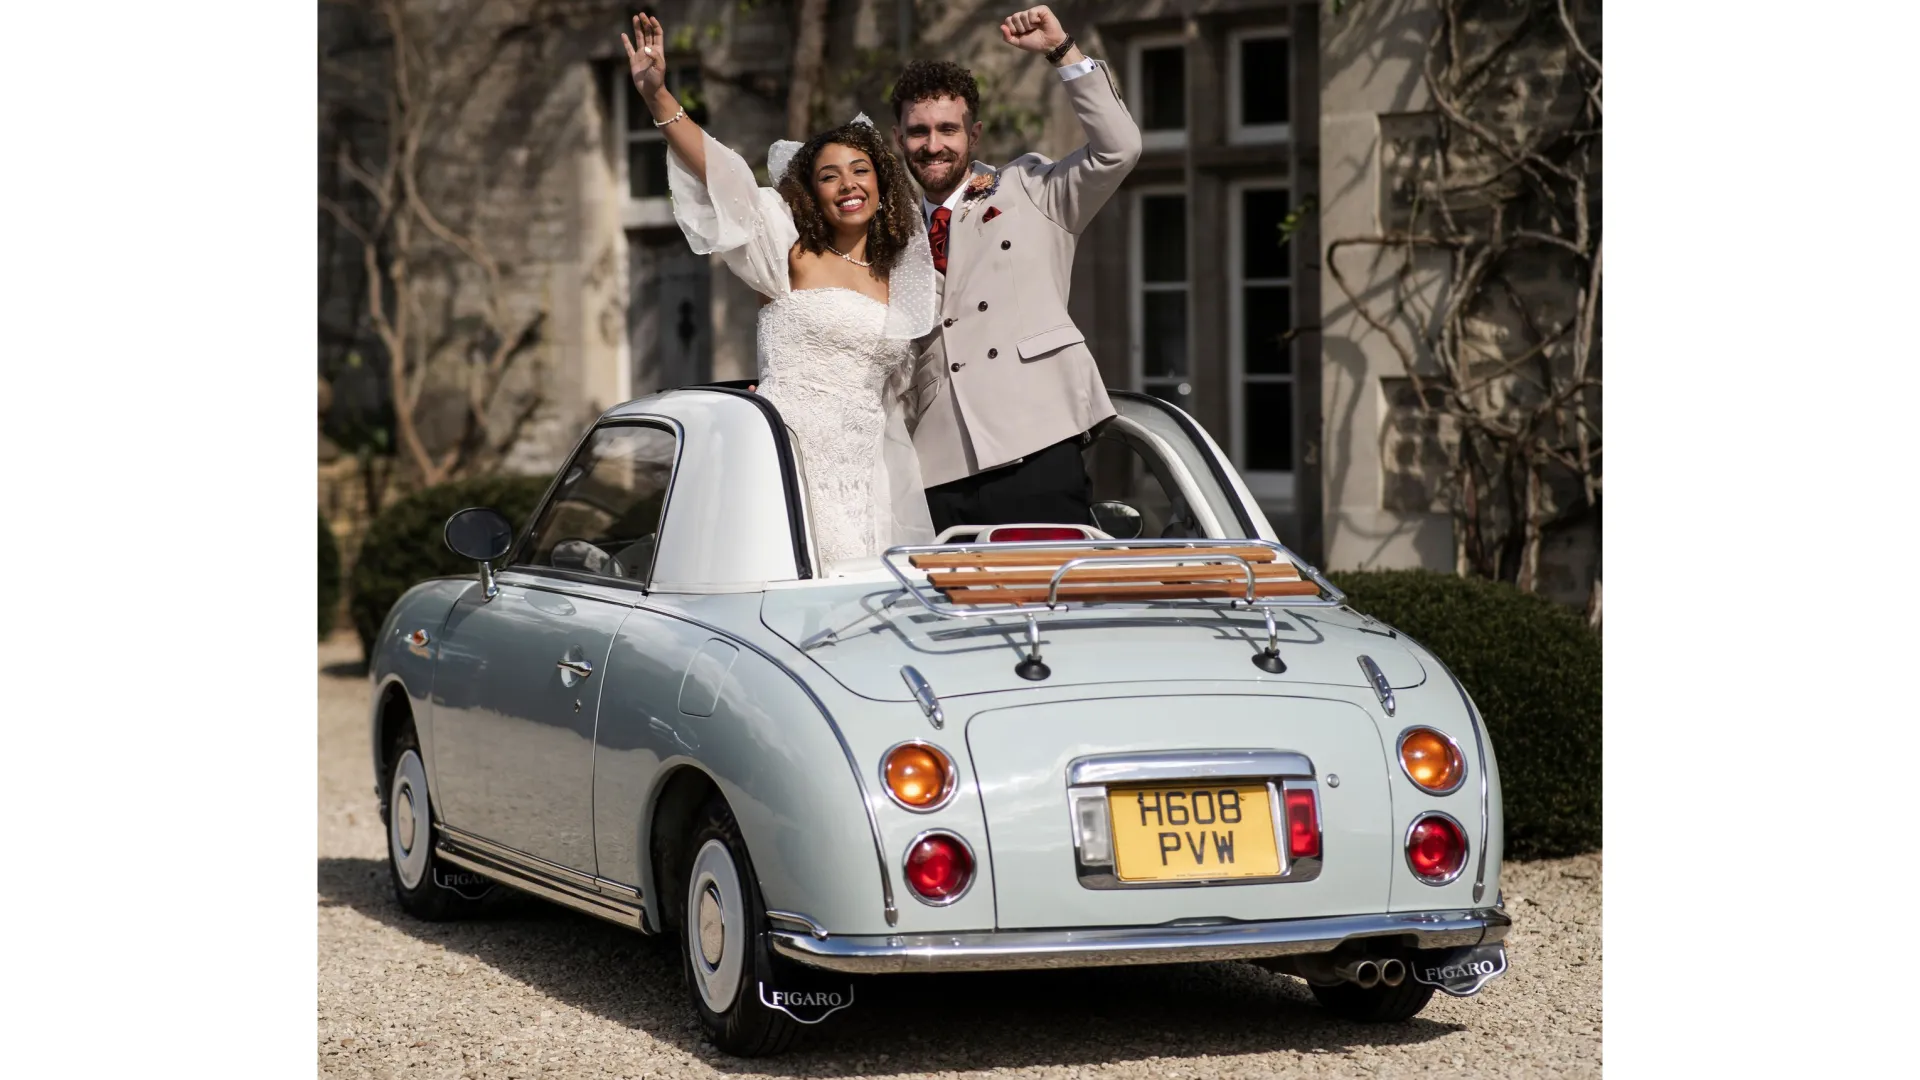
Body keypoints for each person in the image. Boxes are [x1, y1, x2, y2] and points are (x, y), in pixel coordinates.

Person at [623, 13, 939, 568]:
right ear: (811, 194)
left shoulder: (908, 279)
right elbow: (725, 178)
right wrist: (658, 96)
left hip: (868, 476)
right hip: (785, 461)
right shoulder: (786, 256)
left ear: (881, 185)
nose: (847, 185)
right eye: (829, 175)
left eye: (860, 170)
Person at [891, 6, 1143, 534]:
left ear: (974, 134)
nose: (932, 145)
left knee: (1053, 604)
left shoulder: (1032, 189)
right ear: (900, 139)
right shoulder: (892, 234)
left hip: (1037, 440)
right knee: (950, 617)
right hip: (939, 464)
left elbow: (1119, 149)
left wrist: (1061, 52)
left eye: (947, 129)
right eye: (918, 131)